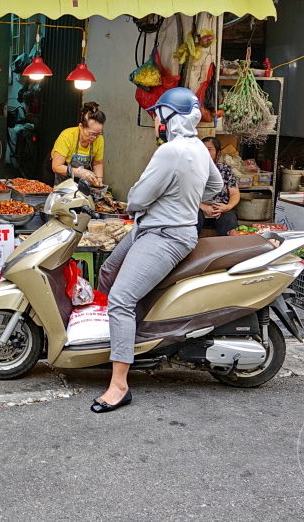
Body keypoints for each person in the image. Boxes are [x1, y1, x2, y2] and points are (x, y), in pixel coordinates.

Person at [91, 88, 222, 414]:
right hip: (151, 228)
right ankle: (110, 341)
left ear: (168, 119)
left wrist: (172, 202)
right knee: (108, 270)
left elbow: (137, 198)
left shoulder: (171, 151)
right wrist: (185, 198)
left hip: (167, 235)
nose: (154, 121)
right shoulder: (198, 147)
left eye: (157, 115)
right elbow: (215, 186)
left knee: (121, 299)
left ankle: (119, 385)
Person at [50, 102, 105, 186]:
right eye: (92, 133)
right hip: (58, 173)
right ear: (81, 127)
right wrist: (79, 172)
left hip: (79, 178)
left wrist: (99, 179)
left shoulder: (99, 139)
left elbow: (97, 163)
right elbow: (56, 166)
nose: (95, 137)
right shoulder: (67, 136)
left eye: (98, 133)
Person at [197, 137, 240, 236]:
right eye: (203, 149)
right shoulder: (193, 170)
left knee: (229, 219)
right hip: (199, 208)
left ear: (218, 153)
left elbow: (234, 194)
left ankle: (228, 246)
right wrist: (204, 207)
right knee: (193, 219)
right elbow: (185, 195)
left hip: (222, 209)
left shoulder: (225, 170)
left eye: (210, 149)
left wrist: (227, 207)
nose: (205, 152)